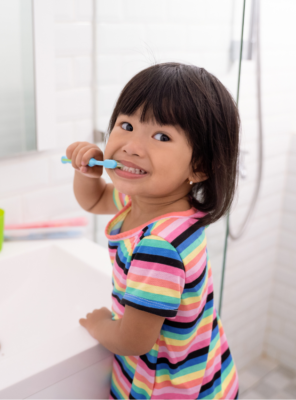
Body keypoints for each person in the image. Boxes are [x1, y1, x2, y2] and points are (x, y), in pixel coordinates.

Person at [67, 63, 239, 399]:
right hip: (206, 370)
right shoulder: (150, 200)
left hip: (168, 389)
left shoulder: (158, 246)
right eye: (127, 125)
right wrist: (87, 174)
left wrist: (100, 324)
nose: (131, 146)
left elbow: (134, 340)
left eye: (161, 136)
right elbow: (96, 200)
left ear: (200, 166)